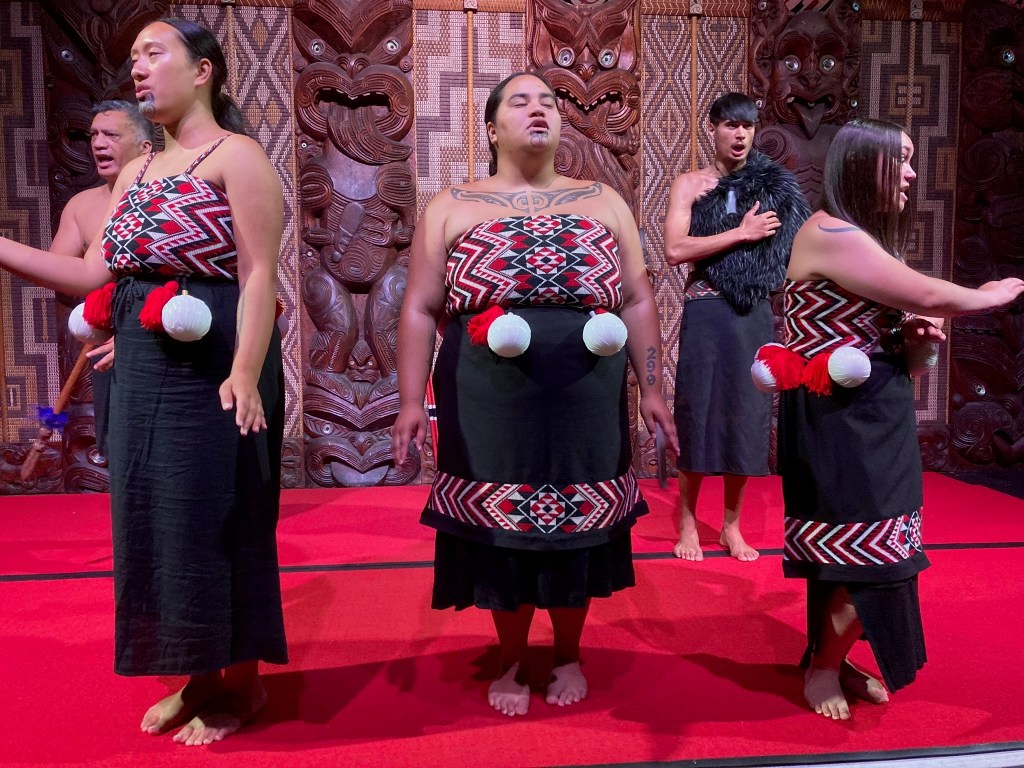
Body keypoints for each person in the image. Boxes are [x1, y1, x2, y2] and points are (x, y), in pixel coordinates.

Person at [0, 18, 286, 745]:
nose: (138, 68)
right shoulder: (133, 172)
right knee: (158, 519)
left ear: (204, 71)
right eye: (134, 57)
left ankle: (242, 682)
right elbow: (98, 274)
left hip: (217, 354)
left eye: (155, 54)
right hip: (148, 364)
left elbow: (258, 276)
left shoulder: (239, 156)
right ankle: (196, 671)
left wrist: (247, 373)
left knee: (221, 512)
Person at [393, 71, 678, 717]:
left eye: (548, 101)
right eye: (520, 102)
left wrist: (652, 387)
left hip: (587, 393)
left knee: (578, 521)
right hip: (486, 395)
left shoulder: (604, 199)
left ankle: (570, 650)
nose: (539, 109)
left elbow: (636, 298)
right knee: (502, 521)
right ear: (492, 128)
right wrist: (411, 401)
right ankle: (514, 655)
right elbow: (418, 307)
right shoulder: (451, 204)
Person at [778, 117, 1024, 720]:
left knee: (868, 549)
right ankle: (823, 667)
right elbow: (929, 293)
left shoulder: (863, 239)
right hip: (839, 421)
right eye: (903, 160)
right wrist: (986, 294)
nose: (912, 174)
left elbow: (905, 355)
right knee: (870, 554)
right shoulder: (829, 230)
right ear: (865, 165)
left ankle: (830, 655)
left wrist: (917, 343)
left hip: (873, 415)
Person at [663, 92, 809, 562]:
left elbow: (793, 247)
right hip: (706, 311)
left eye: (746, 126)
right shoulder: (689, 184)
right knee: (698, 409)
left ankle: (731, 526)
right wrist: (740, 233)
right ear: (712, 129)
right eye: (729, 125)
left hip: (753, 314)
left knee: (746, 415)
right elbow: (675, 250)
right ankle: (687, 520)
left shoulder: (772, 186)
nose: (740, 134)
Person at [50, 100, 153, 460]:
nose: (97, 142)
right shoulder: (81, 205)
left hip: (165, 330)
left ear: (145, 147)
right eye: (93, 134)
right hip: (110, 331)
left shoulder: (167, 198)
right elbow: (62, 276)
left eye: (110, 134)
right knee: (118, 447)